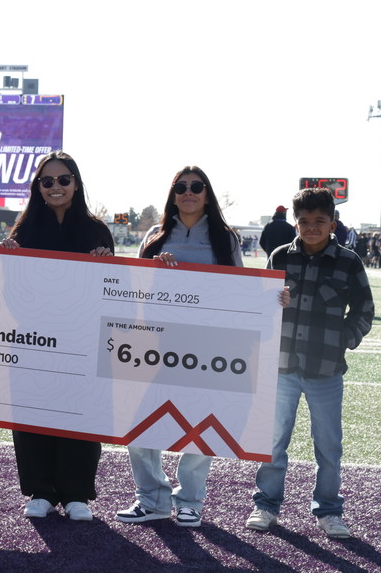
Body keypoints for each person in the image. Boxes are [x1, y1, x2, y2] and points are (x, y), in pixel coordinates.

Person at [116, 165, 243, 529]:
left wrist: (273, 301)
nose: (189, 192)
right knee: (139, 422)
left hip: (206, 347)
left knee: (203, 425)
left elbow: (241, 295)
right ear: (173, 194)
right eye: (182, 187)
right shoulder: (155, 237)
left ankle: (190, 500)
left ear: (207, 193)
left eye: (196, 186)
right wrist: (156, 272)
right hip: (155, 345)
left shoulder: (225, 239)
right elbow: (135, 292)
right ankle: (151, 498)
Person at [246, 188, 374, 539]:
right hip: (282, 366)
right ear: (295, 223)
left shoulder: (349, 261)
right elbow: (261, 307)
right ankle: (266, 504)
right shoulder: (279, 257)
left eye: (320, 221)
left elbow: (364, 310)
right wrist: (273, 302)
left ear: (333, 223)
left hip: (326, 370)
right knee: (273, 442)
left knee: (329, 445)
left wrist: (343, 341)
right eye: (304, 221)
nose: (312, 228)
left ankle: (329, 510)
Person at [0, 151, 114, 522]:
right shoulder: (22, 231)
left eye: (63, 179)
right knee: (33, 411)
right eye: (47, 181)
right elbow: (9, 295)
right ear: (38, 187)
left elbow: (115, 289)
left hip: (82, 339)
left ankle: (77, 493)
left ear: (76, 183)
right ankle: (41, 491)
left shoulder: (97, 231)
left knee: (80, 413)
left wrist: (106, 262)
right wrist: (7, 262)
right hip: (33, 338)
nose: (56, 187)